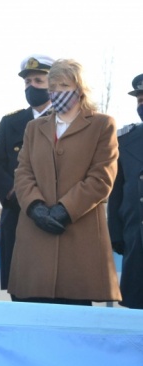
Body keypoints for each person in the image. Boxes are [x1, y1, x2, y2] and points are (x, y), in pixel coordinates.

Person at [8, 59, 121, 305]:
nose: (57, 92)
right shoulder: (34, 128)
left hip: (78, 235)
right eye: (53, 86)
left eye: (64, 85)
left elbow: (102, 177)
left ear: (79, 89)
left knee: (74, 319)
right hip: (34, 236)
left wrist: (64, 210)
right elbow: (23, 172)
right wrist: (35, 207)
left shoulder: (102, 125)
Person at [0, 54, 54, 297]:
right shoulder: (11, 122)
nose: (32, 87)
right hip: (17, 216)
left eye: (39, 80)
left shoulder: (69, 122)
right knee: (22, 292)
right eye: (27, 82)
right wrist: (19, 196)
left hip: (56, 218)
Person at [107, 73, 143, 309]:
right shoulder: (126, 139)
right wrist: (117, 235)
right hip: (136, 243)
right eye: (139, 100)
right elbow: (116, 192)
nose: (142, 105)